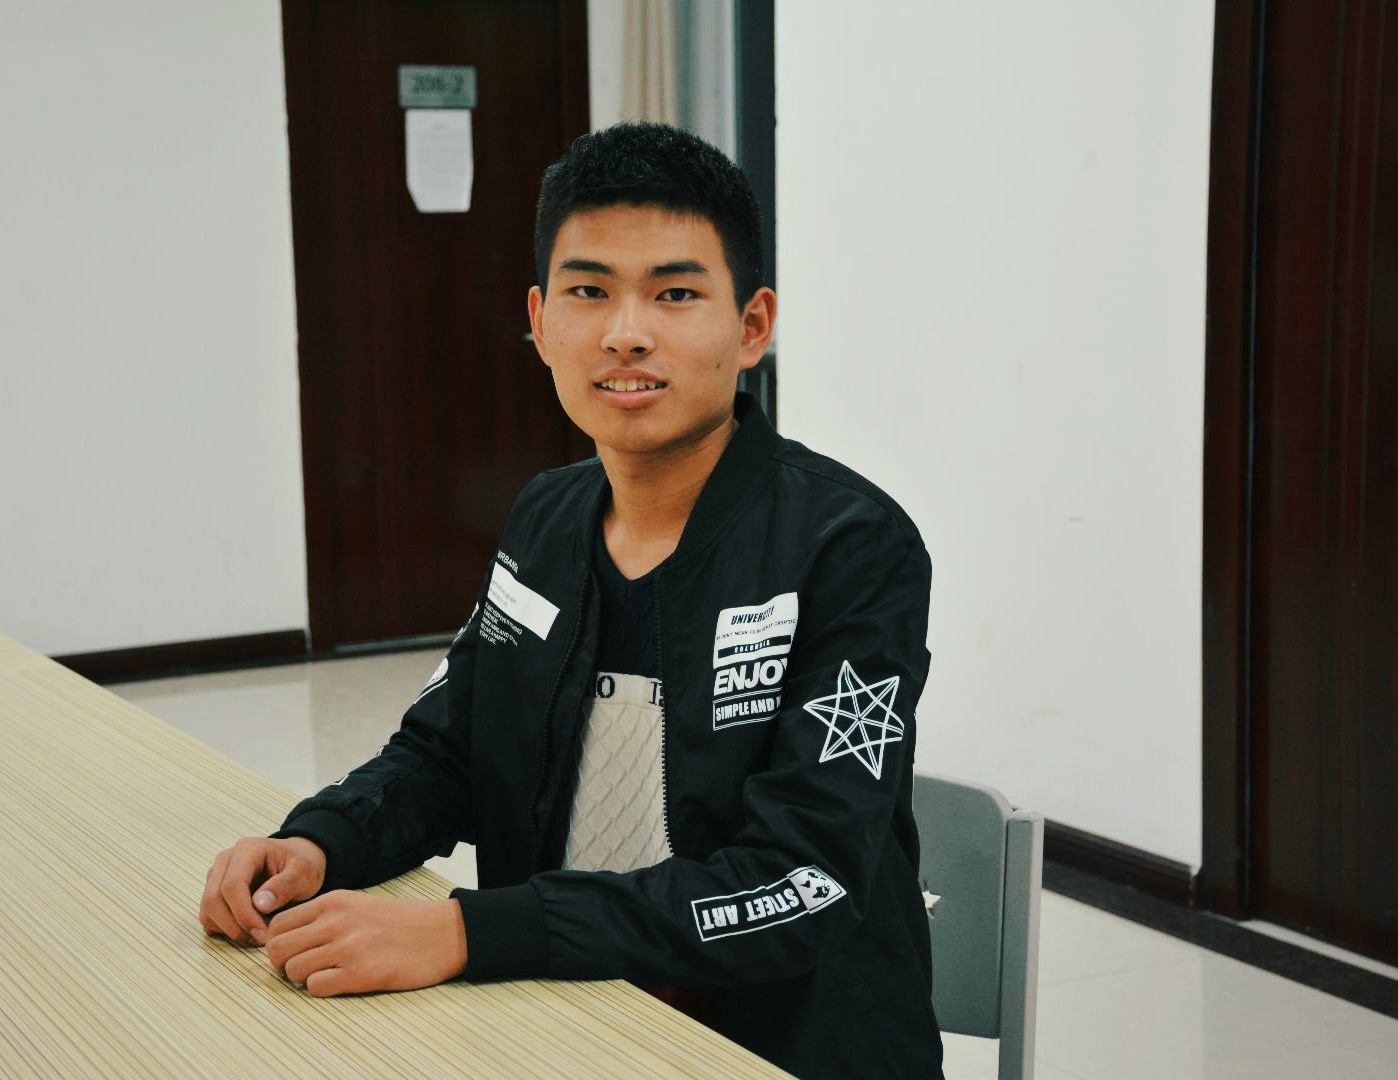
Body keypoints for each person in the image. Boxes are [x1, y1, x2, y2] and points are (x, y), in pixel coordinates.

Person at [199, 121, 942, 1079]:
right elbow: (446, 752)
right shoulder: (546, 518)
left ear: (752, 327)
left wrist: (467, 932)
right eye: (590, 291)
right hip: (557, 1023)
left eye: (675, 293)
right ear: (542, 322)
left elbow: (801, 881)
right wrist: (321, 839)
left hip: (781, 1048)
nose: (626, 331)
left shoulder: (851, 546)